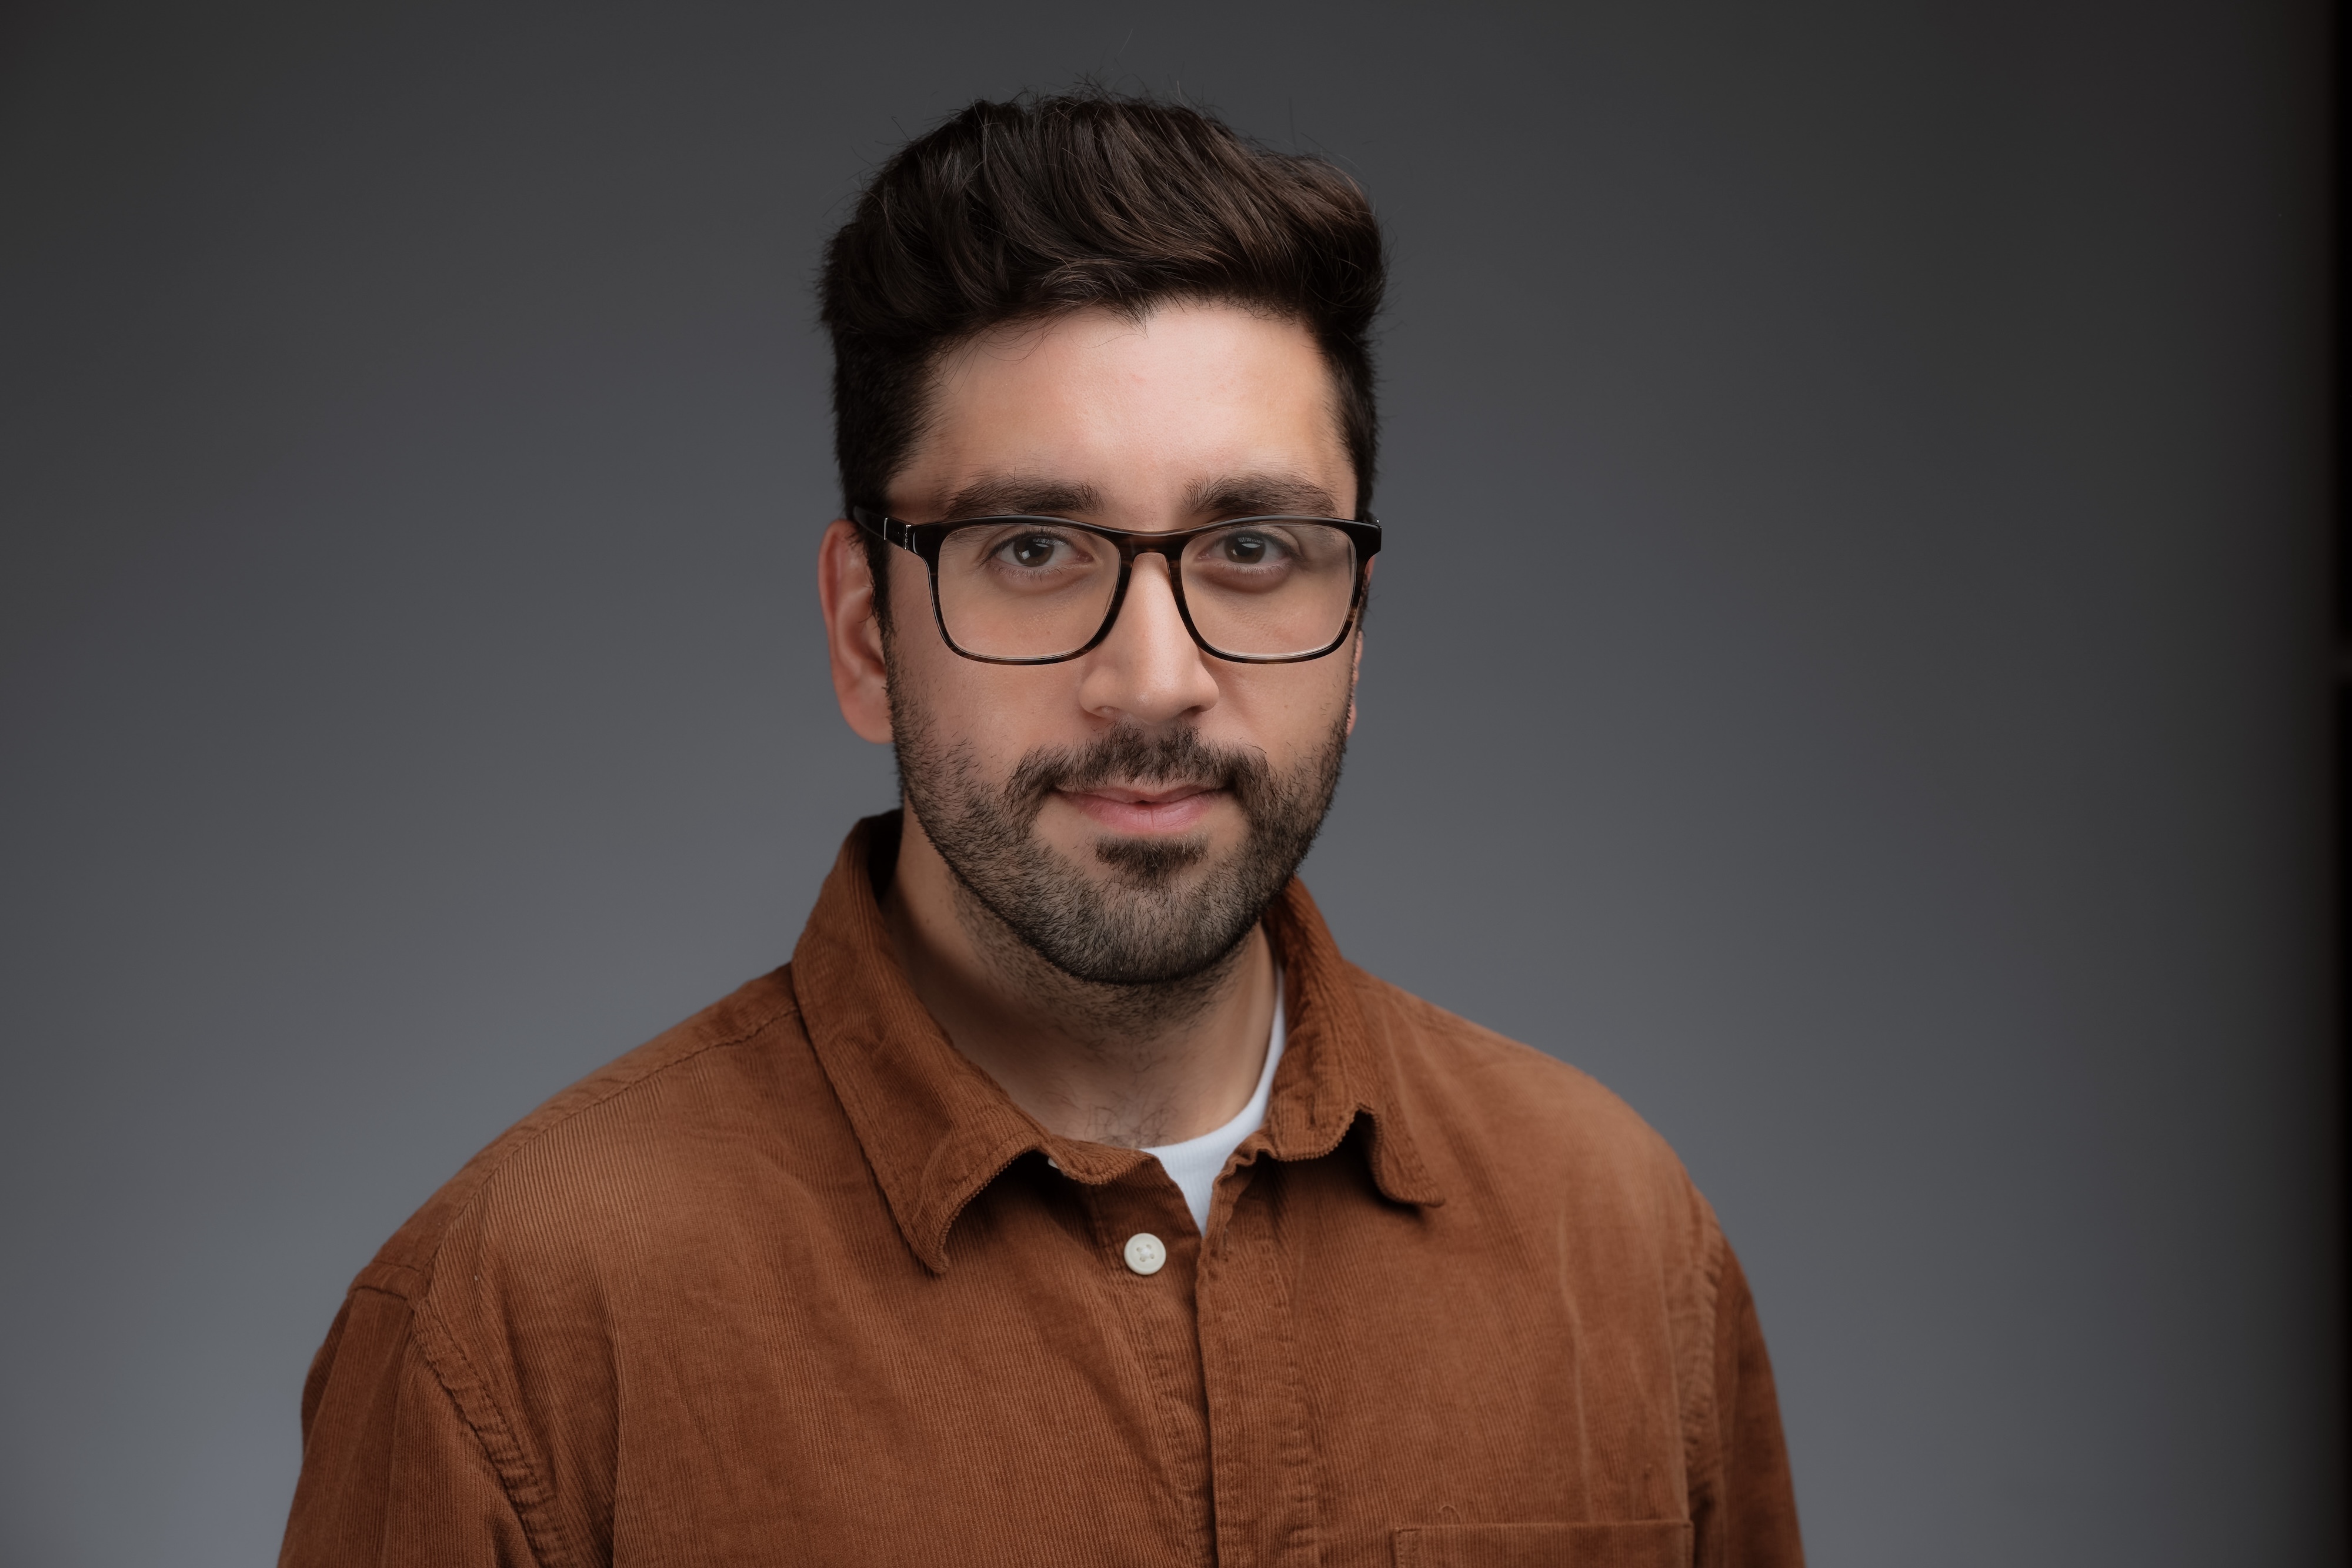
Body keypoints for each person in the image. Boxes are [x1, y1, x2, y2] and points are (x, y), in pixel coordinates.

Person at [281, 91, 1803, 1567]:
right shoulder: (509, 1326)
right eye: (1032, 548)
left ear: (1356, 635)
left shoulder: (1618, 1237)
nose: (1155, 677)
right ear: (870, 632)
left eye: (1255, 547)